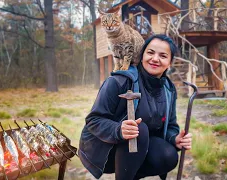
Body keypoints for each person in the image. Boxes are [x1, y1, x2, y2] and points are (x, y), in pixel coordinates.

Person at [79, 34, 192, 180]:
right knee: (140, 129)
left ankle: (131, 175)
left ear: (169, 63)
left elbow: (170, 125)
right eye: (150, 52)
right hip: (106, 150)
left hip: (138, 151)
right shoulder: (119, 81)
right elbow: (93, 120)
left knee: (168, 156)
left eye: (163, 56)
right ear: (142, 55)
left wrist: (174, 138)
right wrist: (118, 129)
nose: (155, 59)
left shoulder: (168, 89)